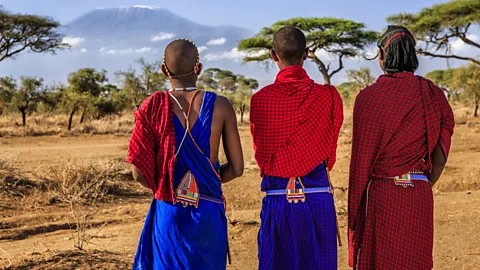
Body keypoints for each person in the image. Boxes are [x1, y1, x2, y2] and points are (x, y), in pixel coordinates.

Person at [127, 38, 244, 270]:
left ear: (163, 70)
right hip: (208, 211)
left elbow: (138, 173)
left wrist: (169, 186)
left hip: (169, 211)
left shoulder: (152, 106)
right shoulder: (221, 106)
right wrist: (206, 182)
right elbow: (237, 169)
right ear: (198, 68)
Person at [348, 25, 455, 270]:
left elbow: (361, 163)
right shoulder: (432, 94)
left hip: (383, 196)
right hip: (418, 194)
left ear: (382, 57)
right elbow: (439, 159)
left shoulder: (368, 98)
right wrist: (421, 183)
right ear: (412, 55)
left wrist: (354, 213)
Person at [250, 26, 344, 270]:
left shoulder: (260, 100)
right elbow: (329, 152)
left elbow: (261, 153)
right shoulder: (329, 96)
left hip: (278, 200)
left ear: (273, 55)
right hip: (319, 199)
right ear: (306, 54)